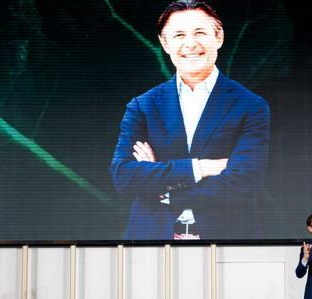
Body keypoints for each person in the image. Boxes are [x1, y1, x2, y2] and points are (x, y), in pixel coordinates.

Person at [110, 0, 270, 240]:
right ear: (165, 43)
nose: (190, 43)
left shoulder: (250, 105)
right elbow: (124, 176)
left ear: (219, 37)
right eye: (179, 35)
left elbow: (244, 181)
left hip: (227, 242)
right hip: (150, 242)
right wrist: (201, 167)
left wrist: (165, 190)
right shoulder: (142, 106)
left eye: (200, 33)